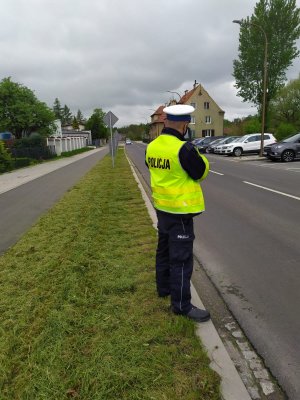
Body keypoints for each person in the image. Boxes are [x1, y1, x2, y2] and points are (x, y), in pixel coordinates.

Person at [145, 104, 210, 323]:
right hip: (180, 213)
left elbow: (154, 169)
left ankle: (164, 289)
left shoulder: (152, 147)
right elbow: (200, 172)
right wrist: (196, 152)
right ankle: (181, 305)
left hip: (162, 209)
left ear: (164, 123)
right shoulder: (184, 149)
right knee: (181, 260)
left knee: (163, 251)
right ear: (184, 125)